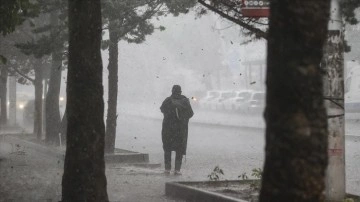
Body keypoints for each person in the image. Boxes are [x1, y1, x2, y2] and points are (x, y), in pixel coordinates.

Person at [160, 85, 194, 175]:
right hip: (180, 129)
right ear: (180, 92)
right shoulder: (185, 101)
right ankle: (177, 170)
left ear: (172, 91)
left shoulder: (168, 100)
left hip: (168, 129)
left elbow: (162, 109)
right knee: (179, 149)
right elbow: (191, 113)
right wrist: (183, 118)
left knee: (167, 148)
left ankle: (167, 169)